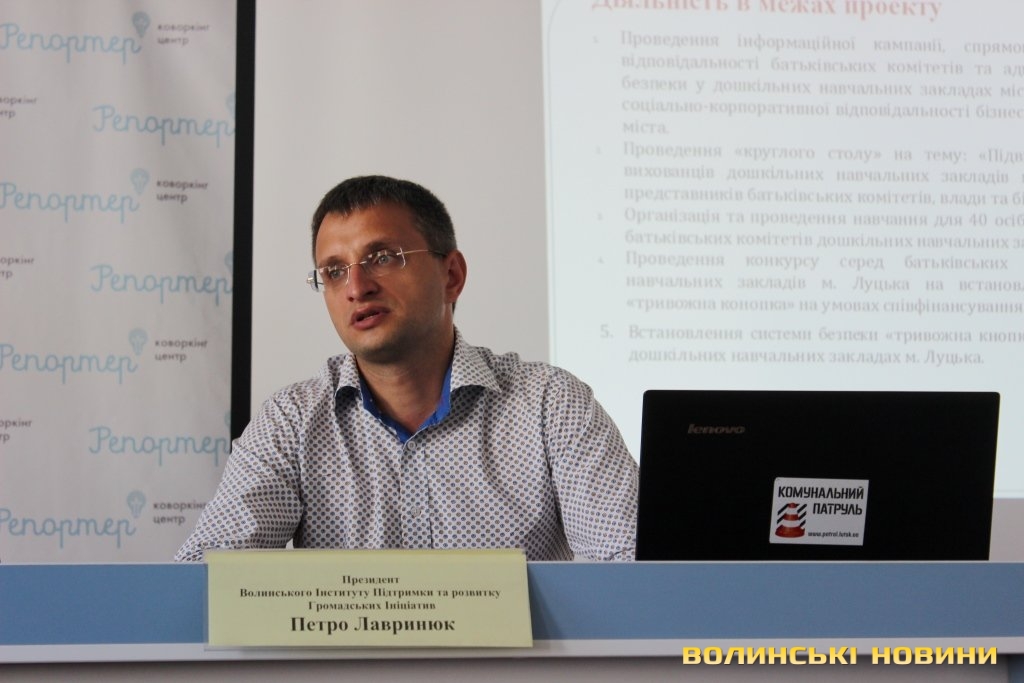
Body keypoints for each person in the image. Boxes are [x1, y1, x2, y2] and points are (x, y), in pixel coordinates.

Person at [175, 175, 637, 562]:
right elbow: (205, 578)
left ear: (451, 276)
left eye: (382, 258)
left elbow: (632, 571)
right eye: (334, 271)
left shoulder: (549, 405)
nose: (356, 287)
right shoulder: (292, 421)